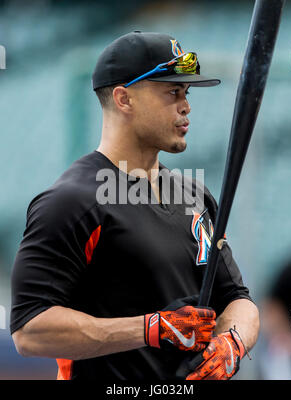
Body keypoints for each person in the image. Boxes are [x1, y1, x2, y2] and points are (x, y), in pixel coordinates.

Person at [10, 31, 259, 380]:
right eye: (172, 92)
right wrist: (149, 329)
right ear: (124, 98)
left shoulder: (195, 196)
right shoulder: (72, 202)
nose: (186, 105)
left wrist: (232, 342)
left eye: (186, 93)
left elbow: (238, 299)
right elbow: (29, 330)